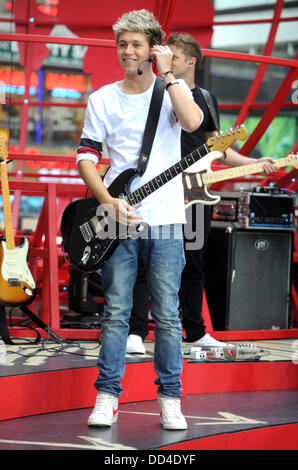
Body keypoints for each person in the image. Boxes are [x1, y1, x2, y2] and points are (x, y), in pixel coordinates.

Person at [76, 12, 203, 430]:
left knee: (167, 314)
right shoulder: (102, 99)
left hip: (166, 220)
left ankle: (170, 398)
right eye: (122, 44)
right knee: (116, 311)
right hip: (118, 218)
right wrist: (107, 201)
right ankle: (107, 395)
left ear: (153, 48)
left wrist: (169, 75)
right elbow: (87, 158)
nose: (127, 52)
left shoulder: (173, 91)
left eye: (136, 44)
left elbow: (194, 123)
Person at [126, 32, 276, 355]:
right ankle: (135, 330)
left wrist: (255, 163)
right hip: (158, 190)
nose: (167, 61)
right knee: (142, 258)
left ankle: (194, 331)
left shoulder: (206, 98)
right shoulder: (157, 93)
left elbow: (218, 149)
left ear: (190, 62)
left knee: (194, 261)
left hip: (196, 192)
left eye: (174, 57)